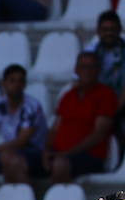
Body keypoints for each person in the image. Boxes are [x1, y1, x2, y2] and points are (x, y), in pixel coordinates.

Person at [0, 63, 49, 182]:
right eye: (12, 81)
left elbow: (21, 142)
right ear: (4, 83)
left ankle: (25, 196)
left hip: (34, 153)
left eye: (20, 81)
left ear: (25, 85)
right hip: (7, 151)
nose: (17, 85)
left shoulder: (31, 106)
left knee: (9, 158)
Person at [48, 51, 117, 182]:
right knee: (14, 161)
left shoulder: (106, 95)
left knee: (60, 164)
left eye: (91, 67)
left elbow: (99, 134)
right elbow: (55, 128)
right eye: (83, 67)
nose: (87, 71)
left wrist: (67, 154)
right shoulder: (68, 96)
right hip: (59, 154)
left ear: (98, 70)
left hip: (89, 156)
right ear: (76, 70)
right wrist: (46, 151)